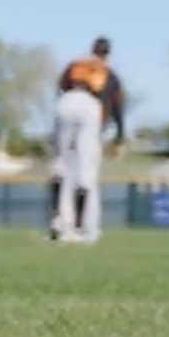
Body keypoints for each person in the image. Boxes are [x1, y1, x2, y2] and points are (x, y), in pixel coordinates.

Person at [50, 38, 126, 244]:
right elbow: (117, 105)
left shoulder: (76, 64)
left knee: (61, 166)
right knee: (86, 172)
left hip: (66, 103)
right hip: (90, 107)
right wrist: (120, 135)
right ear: (108, 54)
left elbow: (60, 88)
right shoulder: (108, 72)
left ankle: (58, 222)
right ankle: (81, 229)